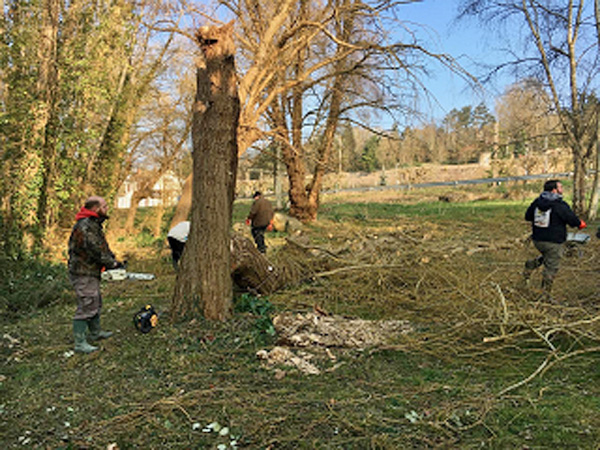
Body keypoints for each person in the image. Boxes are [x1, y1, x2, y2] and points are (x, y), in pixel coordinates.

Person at [68, 196, 122, 353]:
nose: (107, 209)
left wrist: (112, 259)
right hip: (82, 271)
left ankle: (95, 332)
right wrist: (112, 264)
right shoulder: (85, 226)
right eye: (104, 206)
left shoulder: (93, 224)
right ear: (95, 208)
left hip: (91, 270)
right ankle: (79, 342)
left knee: (95, 301)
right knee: (87, 302)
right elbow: (95, 249)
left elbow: (102, 247)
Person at [523, 180, 586, 299]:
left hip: (537, 240)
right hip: (553, 241)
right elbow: (572, 220)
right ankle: (545, 296)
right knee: (551, 267)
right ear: (554, 190)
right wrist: (580, 224)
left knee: (549, 257)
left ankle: (531, 264)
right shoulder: (559, 205)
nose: (562, 189)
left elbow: (527, 216)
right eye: (560, 187)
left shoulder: (537, 202)